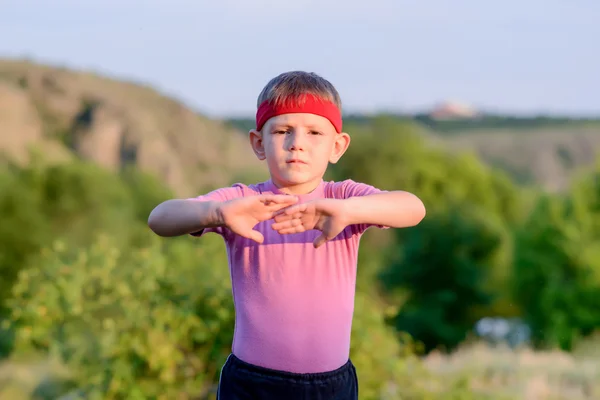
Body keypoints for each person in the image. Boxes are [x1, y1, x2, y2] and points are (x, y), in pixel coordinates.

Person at [147, 71, 426, 400]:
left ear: (337, 146)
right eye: (282, 131)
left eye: (314, 132)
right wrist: (217, 213)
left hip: (332, 385)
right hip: (253, 383)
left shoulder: (345, 199)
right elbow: (159, 218)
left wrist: (350, 211)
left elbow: (413, 208)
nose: (298, 143)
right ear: (258, 143)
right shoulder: (241, 202)